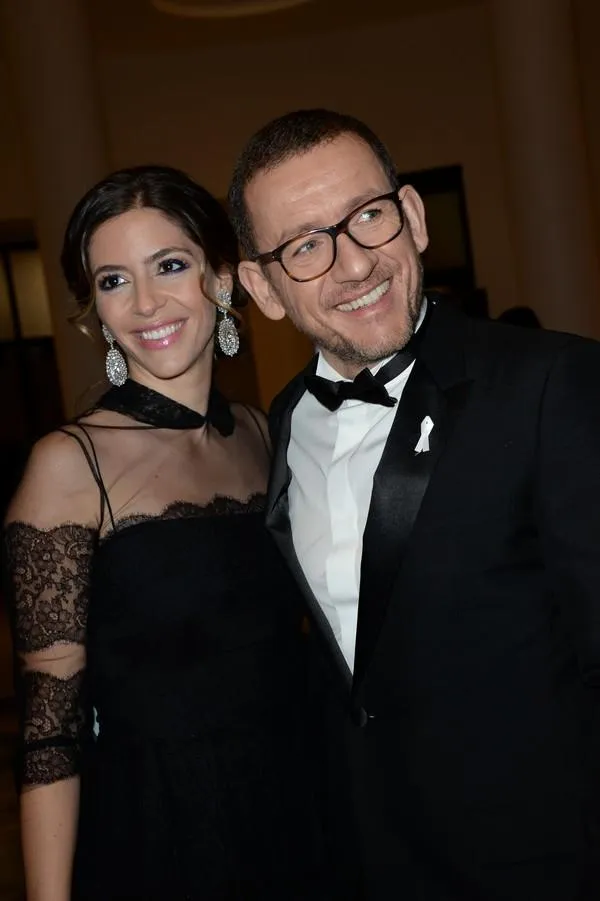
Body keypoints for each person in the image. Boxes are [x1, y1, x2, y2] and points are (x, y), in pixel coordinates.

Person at [227, 109, 600, 900]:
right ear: (261, 286)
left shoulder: (550, 385)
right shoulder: (285, 421)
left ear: (415, 217)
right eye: (305, 245)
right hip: (369, 858)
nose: (354, 263)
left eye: (368, 216)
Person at [3, 165, 328, 901]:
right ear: (96, 310)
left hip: (299, 810)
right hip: (163, 835)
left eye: (170, 266)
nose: (145, 301)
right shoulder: (67, 464)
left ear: (221, 278)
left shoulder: (258, 432)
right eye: (113, 280)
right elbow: (49, 732)